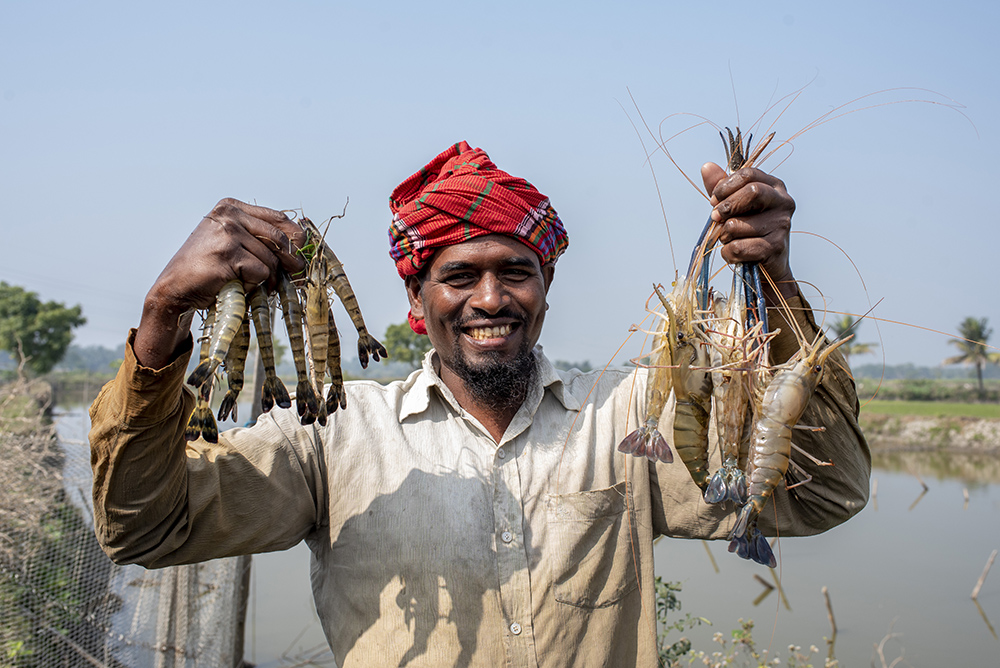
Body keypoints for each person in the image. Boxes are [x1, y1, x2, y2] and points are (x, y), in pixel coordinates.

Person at [90, 141, 869, 667]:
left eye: (516, 271)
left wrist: (774, 283)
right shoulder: (331, 437)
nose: (490, 299)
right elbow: (142, 528)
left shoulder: (628, 421)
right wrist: (163, 317)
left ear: (548, 284)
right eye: (460, 276)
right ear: (415, 298)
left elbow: (826, 495)